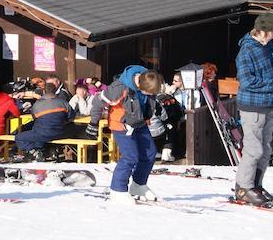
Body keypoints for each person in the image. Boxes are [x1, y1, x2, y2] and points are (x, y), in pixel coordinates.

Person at [233, 14, 273, 206]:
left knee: (265, 149)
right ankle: (243, 188)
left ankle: (256, 185)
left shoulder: (265, 47)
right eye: (272, 33)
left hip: (268, 104)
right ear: (262, 31)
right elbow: (247, 81)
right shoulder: (246, 51)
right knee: (254, 149)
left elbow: (272, 70)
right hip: (252, 106)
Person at [88, 66, 163, 202]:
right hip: (121, 124)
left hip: (139, 122)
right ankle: (118, 189)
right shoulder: (119, 88)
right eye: (146, 92)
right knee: (131, 157)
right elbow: (97, 101)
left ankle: (139, 185)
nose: (148, 95)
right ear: (139, 84)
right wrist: (93, 123)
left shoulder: (150, 80)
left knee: (150, 154)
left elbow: (147, 101)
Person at [14, 82, 71, 161]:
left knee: (19, 137)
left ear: (44, 92)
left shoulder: (37, 105)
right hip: (60, 133)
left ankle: (35, 153)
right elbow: (70, 117)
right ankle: (48, 151)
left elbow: (35, 118)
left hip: (42, 134)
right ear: (55, 91)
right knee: (39, 132)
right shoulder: (64, 103)